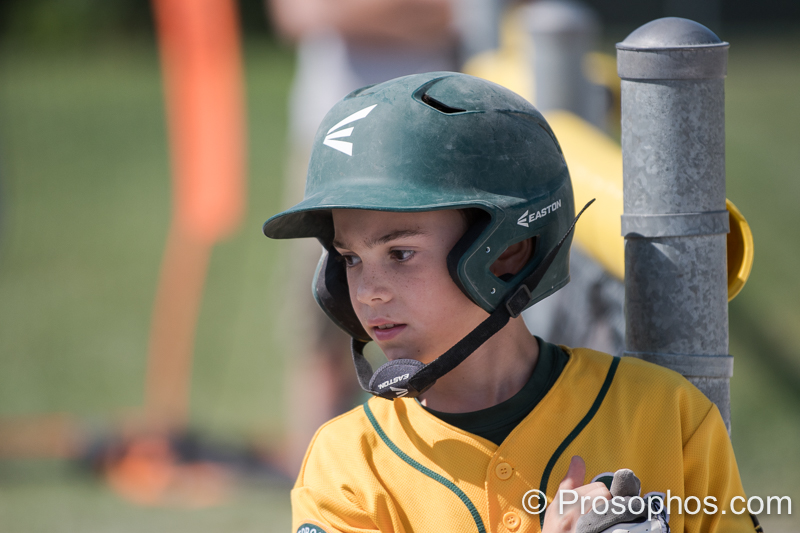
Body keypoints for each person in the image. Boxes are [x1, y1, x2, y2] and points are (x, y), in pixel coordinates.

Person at [262, 73, 756, 533]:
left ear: (509, 251)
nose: (368, 291)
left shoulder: (668, 416)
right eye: (350, 259)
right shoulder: (347, 464)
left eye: (400, 253)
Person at [267, 0, 458, 475]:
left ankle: (432, 474)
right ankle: (315, 479)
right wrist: (415, 16)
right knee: (323, 321)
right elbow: (299, 16)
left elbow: (464, 14)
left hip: (435, 145)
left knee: (445, 318)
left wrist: (353, 14)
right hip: (330, 141)